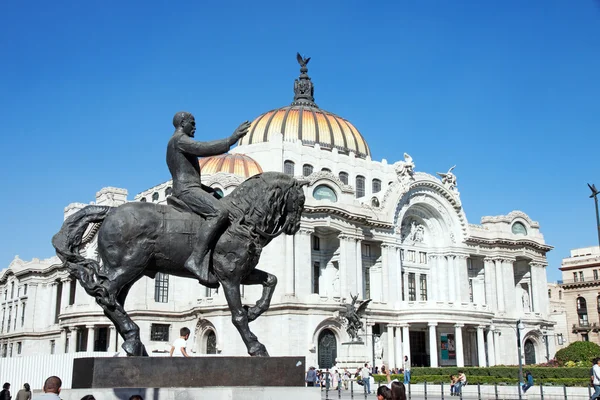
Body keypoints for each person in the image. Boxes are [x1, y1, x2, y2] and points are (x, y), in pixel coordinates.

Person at [166, 111, 249, 286]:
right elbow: (203, 148)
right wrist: (231, 139)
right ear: (183, 123)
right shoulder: (179, 140)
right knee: (219, 212)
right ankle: (196, 259)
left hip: (192, 187)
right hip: (187, 190)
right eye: (192, 123)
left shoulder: (175, 142)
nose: (195, 127)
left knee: (221, 202)